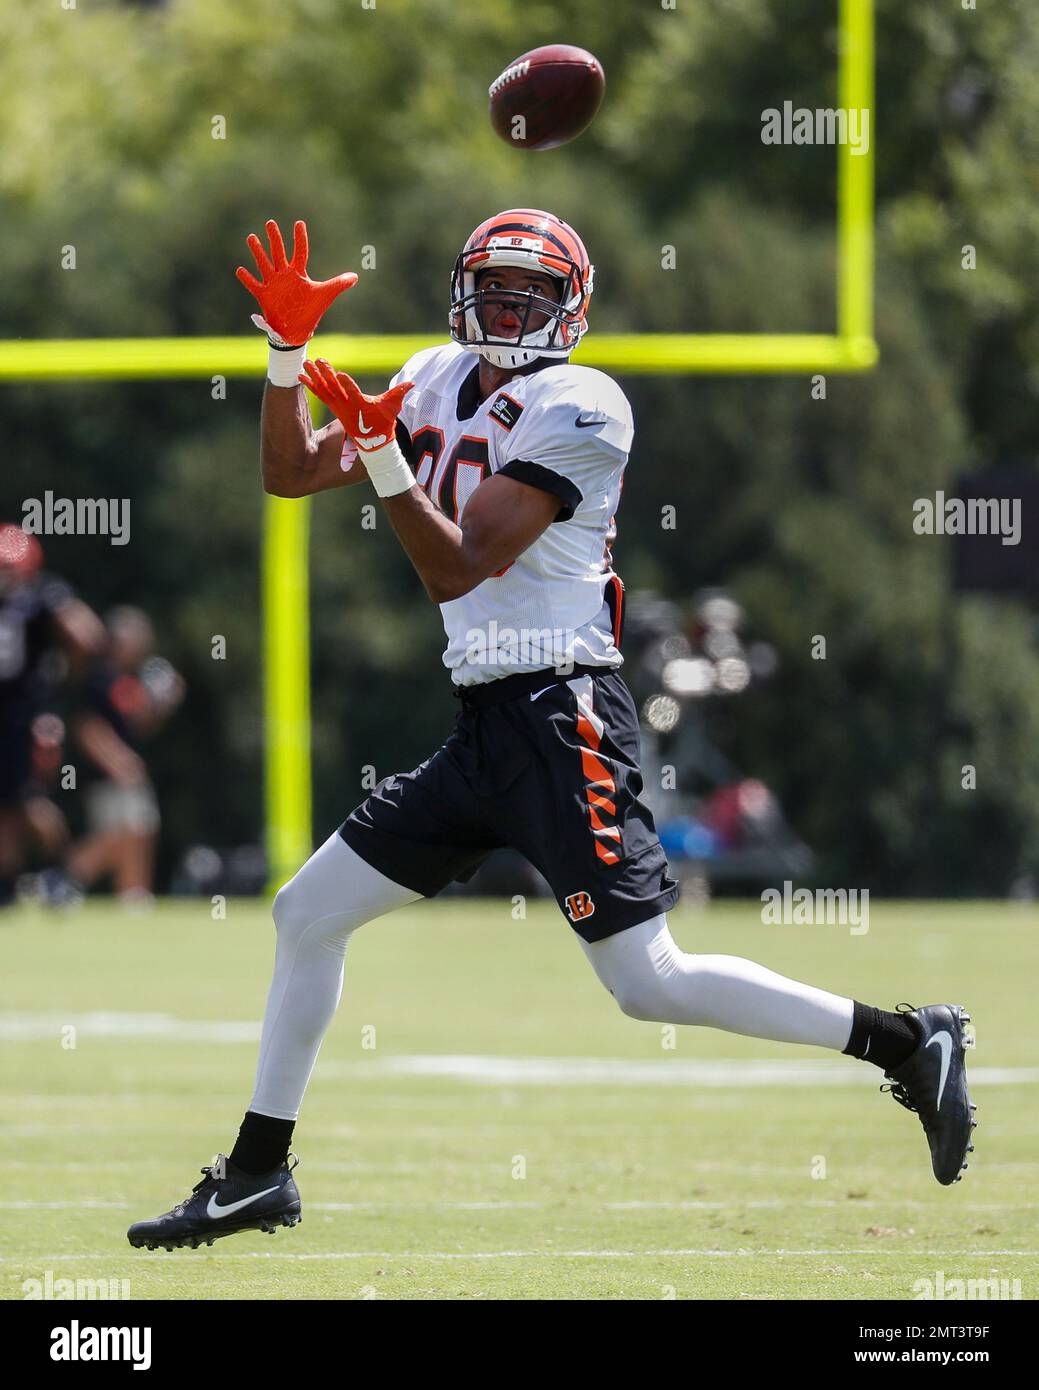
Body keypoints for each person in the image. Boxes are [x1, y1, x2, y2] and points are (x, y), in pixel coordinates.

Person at [127, 213, 976, 1251]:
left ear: (570, 308)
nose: (508, 308)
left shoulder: (584, 403)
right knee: (308, 913)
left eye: (531, 293)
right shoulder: (435, 372)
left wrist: (384, 455)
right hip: (486, 718)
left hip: (563, 710)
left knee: (645, 982)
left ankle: (906, 1041)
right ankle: (256, 1175)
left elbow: (458, 562)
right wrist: (285, 356)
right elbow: (291, 472)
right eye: (494, 287)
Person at [0, 525, 105, 909]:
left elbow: (86, 638)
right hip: (25, 710)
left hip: (27, 715)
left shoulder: (42, 595)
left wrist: (58, 682)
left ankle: (64, 871)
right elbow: (88, 638)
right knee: (11, 803)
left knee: (27, 800)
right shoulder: (39, 593)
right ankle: (11, 884)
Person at [65, 606, 184, 907]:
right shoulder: (99, 678)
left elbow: (140, 727)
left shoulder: (128, 679)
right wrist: (117, 762)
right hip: (106, 775)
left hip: (128, 770)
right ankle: (65, 877)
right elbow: (87, 728)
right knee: (123, 833)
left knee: (140, 834)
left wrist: (164, 704)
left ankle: (132, 896)